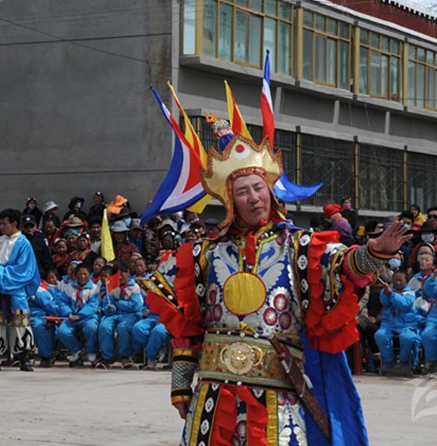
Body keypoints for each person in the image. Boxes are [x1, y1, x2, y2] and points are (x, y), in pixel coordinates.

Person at [139, 121, 410, 445]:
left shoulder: (299, 247)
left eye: (259, 188)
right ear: (230, 199)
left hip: (279, 396)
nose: (254, 198)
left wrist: (375, 252)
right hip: (213, 393)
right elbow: (187, 325)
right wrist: (181, 382)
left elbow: (342, 267)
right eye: (243, 191)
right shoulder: (202, 254)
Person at [0, 209, 41, 373]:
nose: (0, 227)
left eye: (3, 223)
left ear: (14, 224)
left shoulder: (24, 243)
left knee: (20, 323)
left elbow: (24, 270)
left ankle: (24, 359)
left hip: (15, 289)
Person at [97, 267, 144, 369]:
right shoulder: (112, 287)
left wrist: (118, 303)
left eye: (122, 274)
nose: (119, 277)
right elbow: (108, 303)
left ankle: (125, 356)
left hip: (130, 315)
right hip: (115, 314)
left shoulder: (134, 287)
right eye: (117, 275)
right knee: (104, 326)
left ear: (127, 273)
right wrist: (110, 308)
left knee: (123, 327)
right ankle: (107, 357)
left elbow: (134, 306)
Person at [374, 270, 420, 375]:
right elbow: (384, 302)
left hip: (407, 324)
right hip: (389, 323)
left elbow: (405, 305)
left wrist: (392, 294)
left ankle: (404, 360)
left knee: (408, 338)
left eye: (400, 280)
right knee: (380, 336)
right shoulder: (387, 290)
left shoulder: (410, 293)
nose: (397, 282)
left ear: (406, 281)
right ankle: (389, 360)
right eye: (395, 280)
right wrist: (385, 293)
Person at [56, 263, 100, 366]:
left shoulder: (94, 289)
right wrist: (68, 313)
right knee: (62, 331)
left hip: (87, 317)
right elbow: (61, 302)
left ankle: (91, 350)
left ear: (89, 274)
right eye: (80, 274)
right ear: (75, 275)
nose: (82, 277)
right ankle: (77, 350)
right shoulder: (69, 287)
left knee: (91, 328)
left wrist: (80, 315)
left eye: (85, 274)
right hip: (71, 316)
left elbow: (93, 305)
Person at [29, 271, 70, 367]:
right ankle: (17, 356)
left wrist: (61, 316)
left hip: (37, 316)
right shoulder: (14, 287)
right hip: (18, 315)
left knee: (39, 326)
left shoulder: (38, 290)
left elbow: (50, 305)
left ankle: (46, 356)